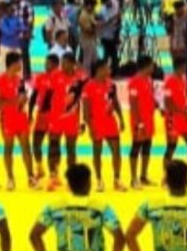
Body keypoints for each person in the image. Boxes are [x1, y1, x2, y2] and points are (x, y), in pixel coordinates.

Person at [82, 59, 126, 192]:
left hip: (110, 122)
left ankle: (117, 179)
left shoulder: (111, 85)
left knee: (117, 152)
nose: (109, 70)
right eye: (107, 68)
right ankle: (99, 180)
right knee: (97, 153)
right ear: (99, 70)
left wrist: (121, 119)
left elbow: (116, 102)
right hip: (96, 123)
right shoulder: (88, 87)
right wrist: (91, 127)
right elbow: (86, 111)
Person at [0, 51, 37, 191]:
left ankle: (31, 177)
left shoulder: (20, 81)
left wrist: (25, 102)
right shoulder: (0, 81)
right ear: (12, 64)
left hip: (21, 117)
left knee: (26, 147)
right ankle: (10, 178)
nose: (21, 65)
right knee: (9, 147)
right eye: (19, 62)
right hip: (7, 118)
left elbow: (24, 98)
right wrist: (14, 101)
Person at [46, 51, 87, 191]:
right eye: (62, 63)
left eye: (65, 63)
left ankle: (71, 179)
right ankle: (53, 176)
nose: (62, 66)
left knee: (71, 149)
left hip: (72, 118)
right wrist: (46, 115)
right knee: (53, 146)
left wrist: (82, 121)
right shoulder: (54, 75)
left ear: (73, 64)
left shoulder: (80, 78)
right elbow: (48, 95)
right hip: (56, 117)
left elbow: (84, 100)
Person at [162, 57, 187, 180]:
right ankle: (165, 176)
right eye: (184, 66)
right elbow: (167, 103)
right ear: (179, 67)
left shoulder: (184, 79)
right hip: (173, 119)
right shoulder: (169, 82)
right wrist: (182, 111)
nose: (185, 68)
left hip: (184, 118)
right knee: (171, 147)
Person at [29, 53, 60, 181]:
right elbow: (34, 95)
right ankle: (40, 168)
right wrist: (30, 112)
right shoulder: (40, 77)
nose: (45, 65)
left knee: (54, 145)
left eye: (48, 63)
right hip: (41, 114)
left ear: (55, 65)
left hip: (55, 115)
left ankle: (54, 172)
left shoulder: (59, 78)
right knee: (36, 143)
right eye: (45, 63)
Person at [127, 55, 157, 189]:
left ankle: (143, 176)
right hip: (139, 121)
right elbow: (133, 104)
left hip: (149, 119)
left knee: (147, 147)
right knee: (136, 148)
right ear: (146, 66)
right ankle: (133, 179)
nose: (153, 67)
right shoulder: (134, 82)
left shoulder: (149, 80)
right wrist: (139, 123)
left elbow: (150, 97)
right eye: (151, 65)